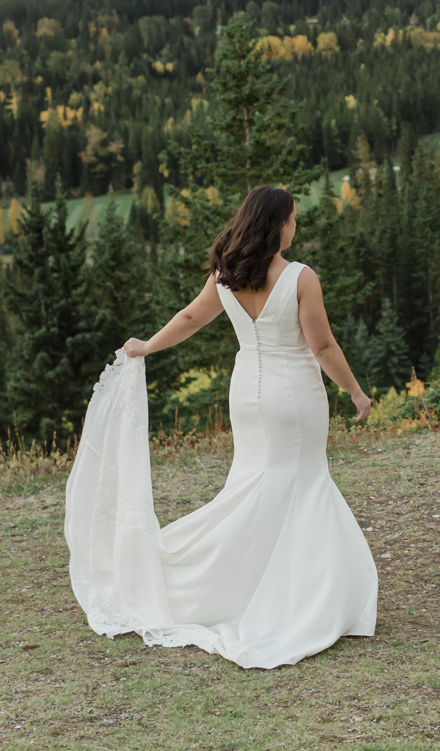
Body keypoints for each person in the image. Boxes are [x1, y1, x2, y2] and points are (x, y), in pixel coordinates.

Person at [63, 185, 377, 669]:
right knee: (303, 483)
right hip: (292, 395)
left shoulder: (226, 274)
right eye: (293, 218)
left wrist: (147, 345)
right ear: (277, 225)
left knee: (254, 486)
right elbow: (324, 347)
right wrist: (355, 392)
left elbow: (191, 318)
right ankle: (300, 593)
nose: (297, 226)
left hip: (246, 396)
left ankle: (226, 581)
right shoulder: (299, 277)